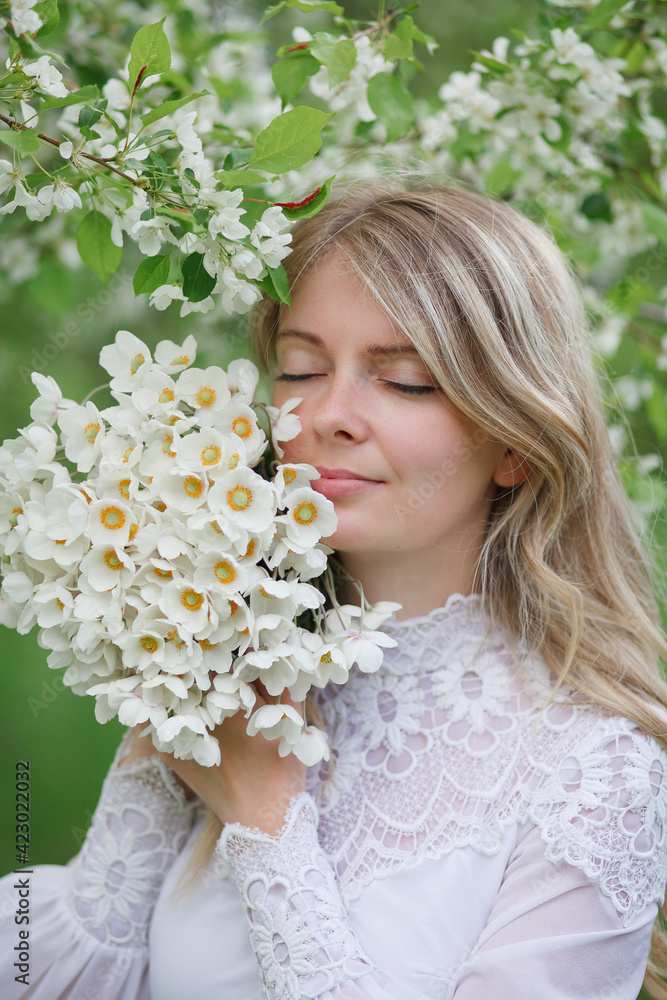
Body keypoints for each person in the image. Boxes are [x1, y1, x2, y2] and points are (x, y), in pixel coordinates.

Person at [2, 180, 667, 1000]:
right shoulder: (224, 675)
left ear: (516, 444)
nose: (328, 415)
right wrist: (176, 693)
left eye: (406, 381)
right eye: (301, 369)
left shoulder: (594, 773)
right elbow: (58, 971)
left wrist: (267, 826)